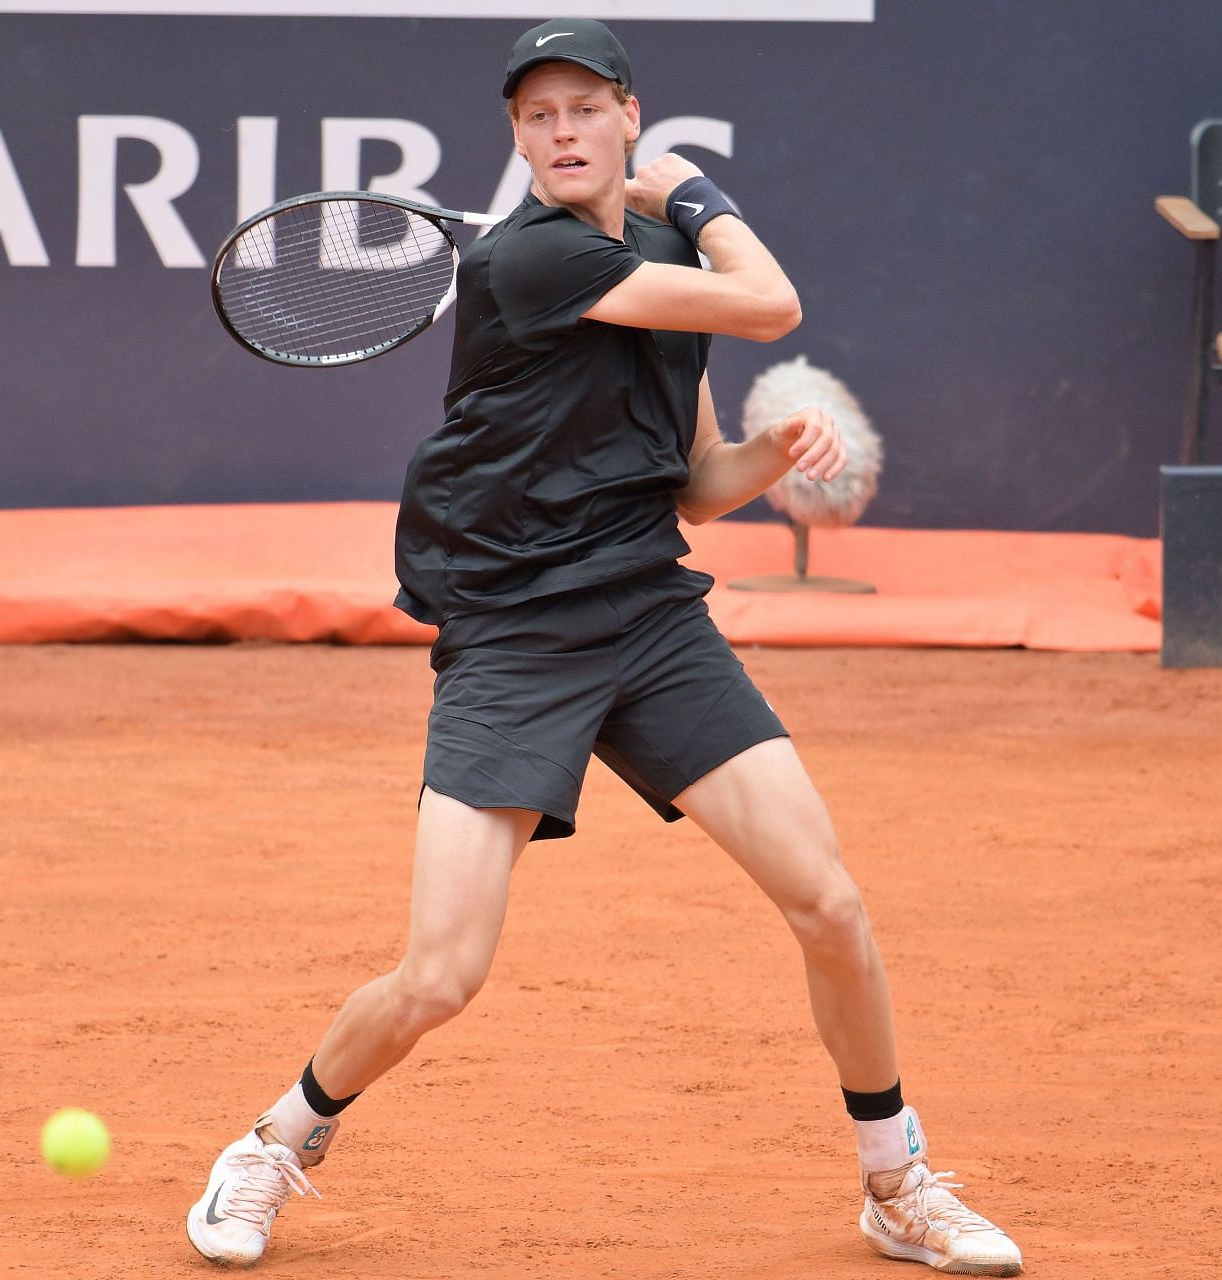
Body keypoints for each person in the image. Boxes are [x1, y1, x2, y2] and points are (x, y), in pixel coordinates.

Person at [185, 19, 1022, 1276]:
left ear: (627, 111)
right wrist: (699, 187)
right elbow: (775, 301)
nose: (562, 132)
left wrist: (770, 455)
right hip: (515, 634)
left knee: (831, 903)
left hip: (647, 616)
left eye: (585, 108)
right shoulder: (526, 260)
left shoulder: (662, 255)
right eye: (537, 116)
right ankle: (276, 1141)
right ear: (519, 138)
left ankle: (894, 1179)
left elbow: (691, 482)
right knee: (440, 974)